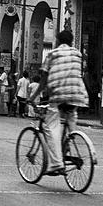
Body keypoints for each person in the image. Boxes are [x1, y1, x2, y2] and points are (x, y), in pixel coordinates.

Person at [30, 29, 89, 176]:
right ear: (71, 41)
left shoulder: (52, 54)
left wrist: (32, 97)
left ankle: (56, 163)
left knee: (52, 129)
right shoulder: (78, 54)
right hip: (78, 96)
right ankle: (69, 140)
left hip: (58, 96)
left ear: (57, 41)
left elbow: (43, 81)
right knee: (70, 118)